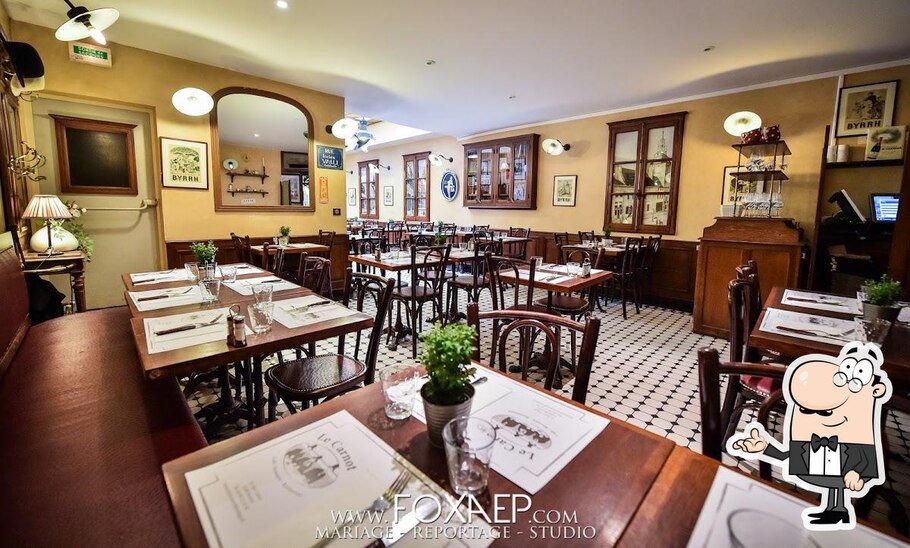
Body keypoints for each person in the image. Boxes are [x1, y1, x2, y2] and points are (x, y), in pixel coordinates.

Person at [728, 342, 892, 531]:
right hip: (794, 491)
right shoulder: (810, 439)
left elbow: (865, 455)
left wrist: (858, 472)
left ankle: (836, 510)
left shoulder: (857, 439)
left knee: (834, 483)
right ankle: (835, 509)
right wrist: (765, 447)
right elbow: (787, 456)